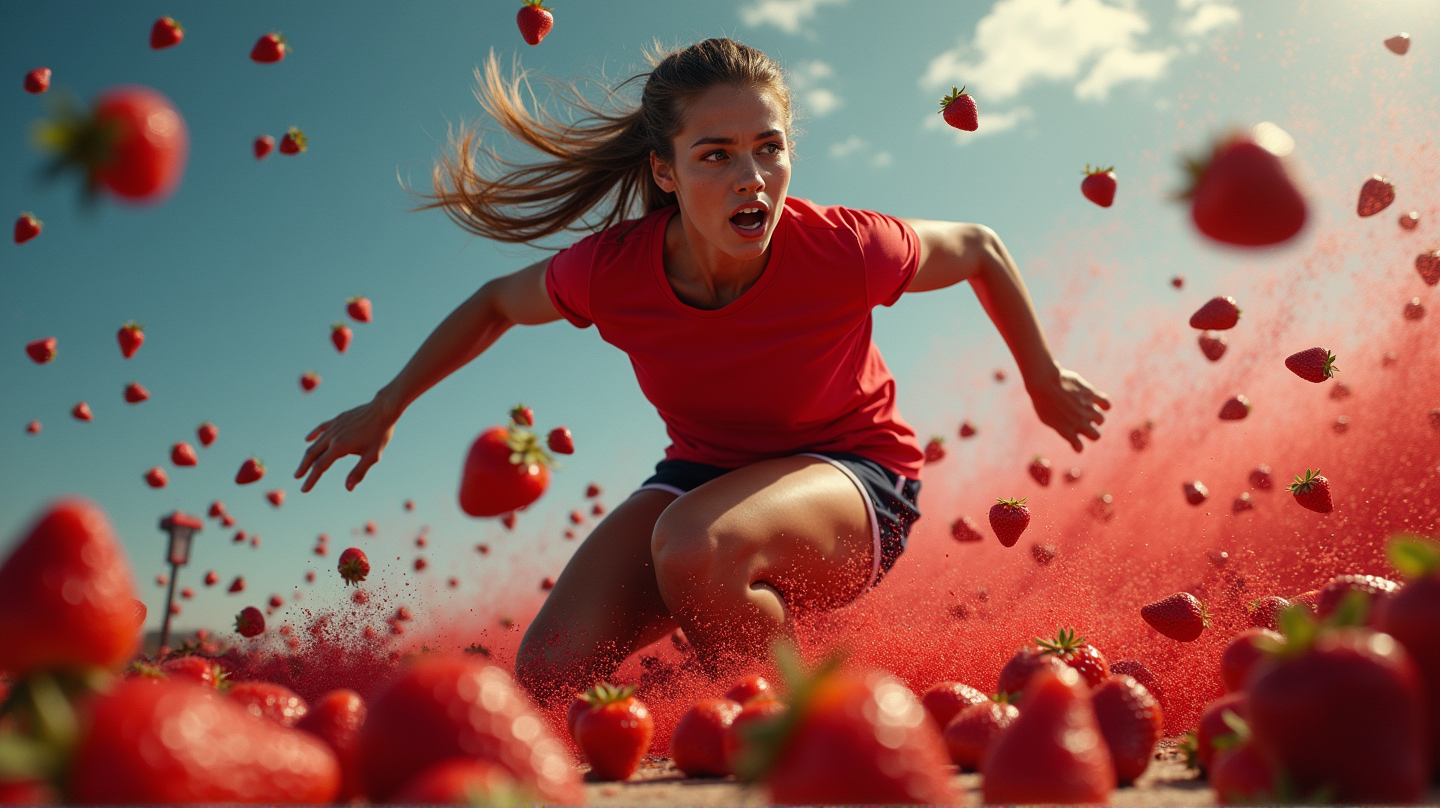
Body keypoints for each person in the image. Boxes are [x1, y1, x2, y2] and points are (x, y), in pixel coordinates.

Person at [294, 38, 1110, 706]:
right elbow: (494, 302)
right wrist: (386, 404)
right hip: (700, 475)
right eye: (715, 154)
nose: (750, 177)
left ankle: (805, 733)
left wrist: (1042, 378)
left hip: (860, 479)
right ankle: (737, 652)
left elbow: (981, 248)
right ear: (665, 170)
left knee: (695, 545)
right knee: (546, 675)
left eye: (768, 148)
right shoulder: (612, 270)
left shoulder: (844, 248)